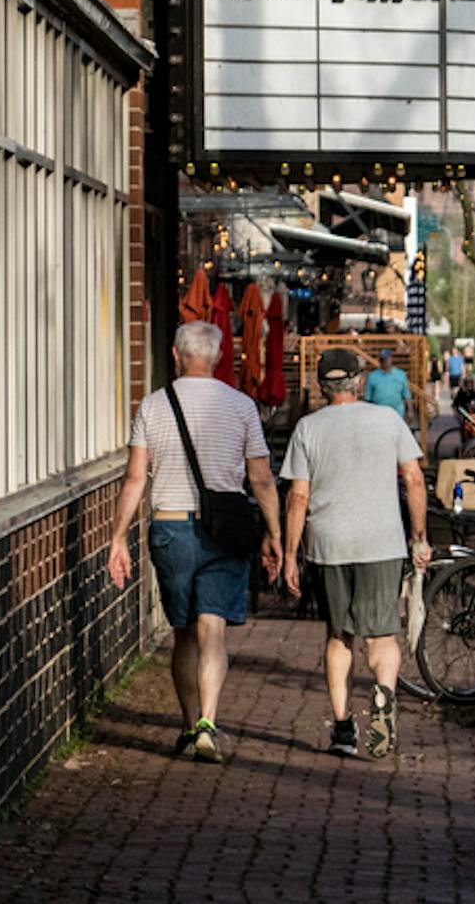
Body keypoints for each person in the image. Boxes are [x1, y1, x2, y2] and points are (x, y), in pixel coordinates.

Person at [108, 320, 282, 762]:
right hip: (225, 530)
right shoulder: (242, 406)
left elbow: (134, 478)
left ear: (175, 355)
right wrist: (276, 534)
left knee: (184, 633)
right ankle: (208, 721)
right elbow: (261, 478)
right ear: (219, 357)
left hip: (171, 528)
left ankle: (189, 724)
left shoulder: (152, 406)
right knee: (214, 630)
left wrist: (117, 538)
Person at [281, 348, 431, 759]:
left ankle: (343, 726)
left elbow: (297, 498)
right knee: (382, 635)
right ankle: (383, 693)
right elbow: (414, 480)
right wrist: (419, 534)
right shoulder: (387, 420)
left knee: (339, 635)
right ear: (358, 381)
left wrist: (290, 554)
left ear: (321, 386)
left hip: (329, 545)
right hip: (381, 542)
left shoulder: (307, 428)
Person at [363, 347, 414, 426]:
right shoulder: (372, 376)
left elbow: (406, 394)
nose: (384, 362)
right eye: (382, 359)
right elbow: (368, 397)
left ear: (391, 359)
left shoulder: (401, 374)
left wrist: (410, 410)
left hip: (397, 412)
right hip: (378, 413)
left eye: (386, 359)